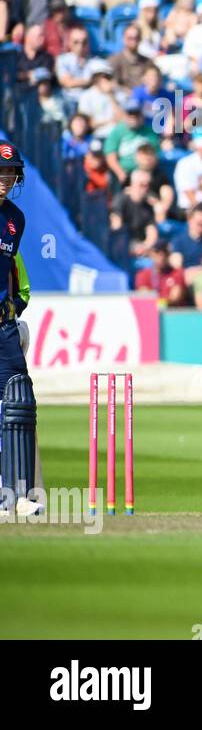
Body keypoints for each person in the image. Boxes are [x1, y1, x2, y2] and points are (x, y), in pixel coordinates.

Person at [0, 142, 38, 514]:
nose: (5, 180)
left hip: (3, 329)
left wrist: (14, 310)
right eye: (0, 173)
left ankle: (17, 493)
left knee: (18, 401)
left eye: (10, 174)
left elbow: (13, 273)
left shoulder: (15, 218)